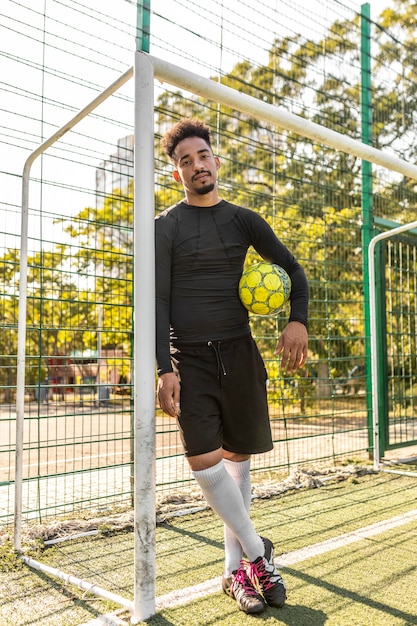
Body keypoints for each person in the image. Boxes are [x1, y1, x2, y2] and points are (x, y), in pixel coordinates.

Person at [155, 118, 309, 614]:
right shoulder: (166, 227)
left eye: (202, 156)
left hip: (240, 355)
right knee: (204, 463)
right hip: (190, 359)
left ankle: (235, 573)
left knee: (238, 464)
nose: (196, 165)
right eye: (185, 161)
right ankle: (259, 551)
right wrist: (164, 368)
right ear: (176, 173)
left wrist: (297, 320)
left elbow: (294, 270)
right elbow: (156, 301)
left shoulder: (244, 219)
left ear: (216, 161)